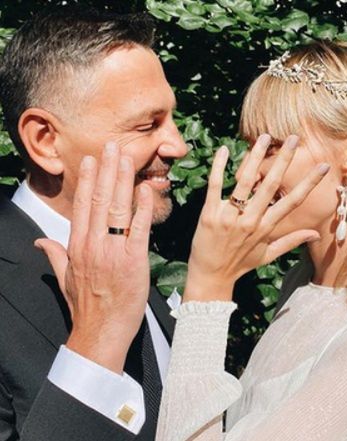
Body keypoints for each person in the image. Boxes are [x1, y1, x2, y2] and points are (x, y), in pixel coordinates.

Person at [148, 41, 347, 441]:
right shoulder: (302, 282)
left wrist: (207, 289)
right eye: (250, 147)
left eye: (272, 147)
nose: (248, 170)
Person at [0, 9, 187, 441]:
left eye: (172, 119)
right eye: (147, 125)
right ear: (45, 141)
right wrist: (97, 345)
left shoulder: (128, 259)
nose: (178, 145)